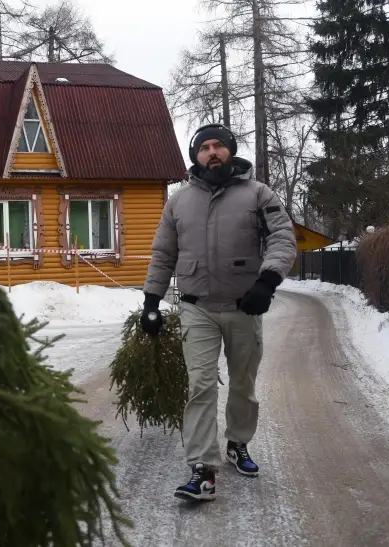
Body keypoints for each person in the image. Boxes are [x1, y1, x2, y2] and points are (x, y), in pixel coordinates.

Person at [141, 124, 296, 502]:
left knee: (243, 382)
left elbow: (282, 237)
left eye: (219, 146)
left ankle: (237, 443)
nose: (212, 153)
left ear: (231, 151)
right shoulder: (178, 201)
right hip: (197, 308)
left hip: (245, 306)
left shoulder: (258, 194)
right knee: (201, 386)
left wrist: (267, 281)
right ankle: (202, 469)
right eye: (205, 148)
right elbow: (163, 254)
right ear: (195, 156)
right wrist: (151, 302)